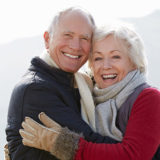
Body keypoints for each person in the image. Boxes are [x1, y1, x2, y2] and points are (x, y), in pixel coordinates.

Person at [20, 23, 160, 160]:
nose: (106, 66)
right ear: (91, 65)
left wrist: (64, 145)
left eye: (115, 57)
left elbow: (132, 155)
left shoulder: (149, 98)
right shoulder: (87, 97)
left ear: (134, 62)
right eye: (98, 58)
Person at [5, 7, 119, 160]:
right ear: (47, 39)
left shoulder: (80, 84)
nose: (75, 46)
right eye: (67, 35)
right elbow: (97, 148)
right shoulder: (36, 90)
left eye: (84, 38)